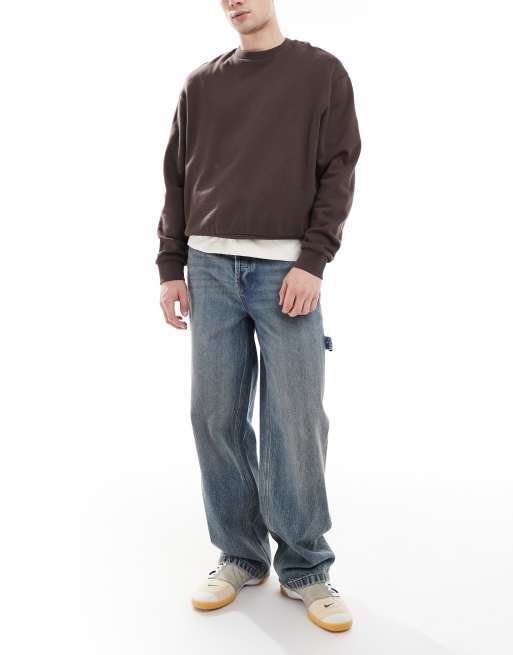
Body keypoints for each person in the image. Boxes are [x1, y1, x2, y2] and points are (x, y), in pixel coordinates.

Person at [156, 0, 361, 633]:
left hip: (286, 271)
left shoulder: (321, 73)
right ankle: (241, 555)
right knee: (213, 414)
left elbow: (339, 171)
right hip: (209, 269)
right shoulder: (201, 84)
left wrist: (314, 260)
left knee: (294, 419)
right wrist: (170, 265)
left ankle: (305, 566)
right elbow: (176, 180)